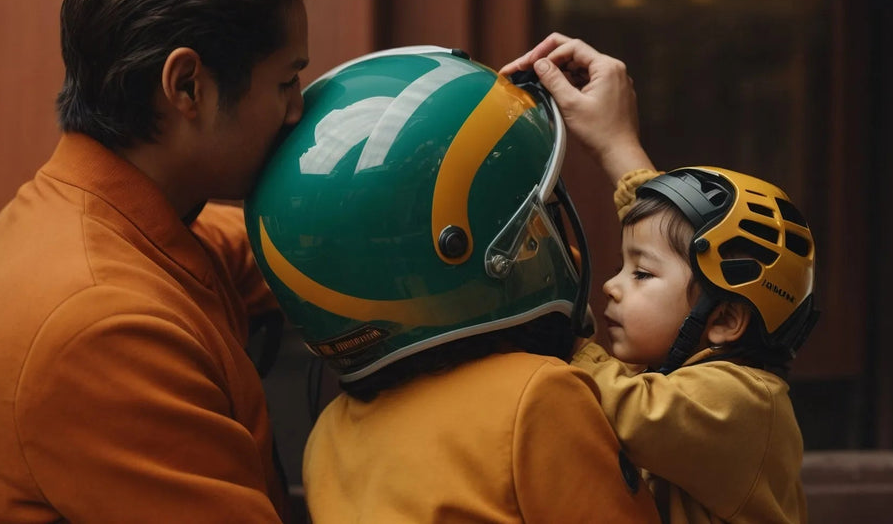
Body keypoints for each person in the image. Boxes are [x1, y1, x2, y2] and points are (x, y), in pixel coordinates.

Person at [0, 0, 314, 521]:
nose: (296, 112)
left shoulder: (112, 213)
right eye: (286, 82)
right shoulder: (101, 324)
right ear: (187, 87)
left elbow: (308, 246)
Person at [245, 45, 660, 522]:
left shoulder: (327, 440)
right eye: (532, 229)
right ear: (461, 251)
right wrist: (622, 150)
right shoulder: (538, 398)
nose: (564, 251)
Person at [505, 35, 819, 523]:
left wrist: (556, 322)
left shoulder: (744, 403)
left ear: (725, 319)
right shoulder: (688, 372)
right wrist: (615, 143)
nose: (611, 286)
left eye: (642, 274)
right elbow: (667, 238)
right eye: (622, 269)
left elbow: (625, 410)